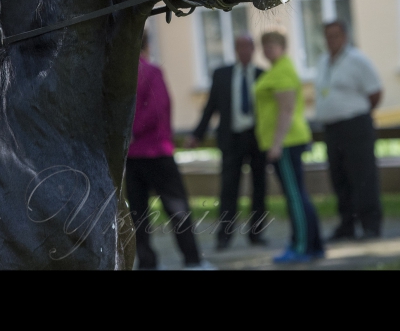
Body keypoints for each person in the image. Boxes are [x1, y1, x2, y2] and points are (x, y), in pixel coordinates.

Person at [126, 32, 215, 270]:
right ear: (146, 45)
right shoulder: (151, 72)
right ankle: (193, 261)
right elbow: (158, 108)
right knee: (177, 208)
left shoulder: (120, 74)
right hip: (156, 152)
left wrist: (126, 133)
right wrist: (133, 130)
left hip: (132, 155)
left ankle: (147, 262)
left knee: (138, 213)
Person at [187, 35, 268, 249]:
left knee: (259, 187)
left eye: (248, 47)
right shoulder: (222, 75)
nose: (244, 51)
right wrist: (197, 134)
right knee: (229, 188)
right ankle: (224, 236)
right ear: (235, 50)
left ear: (253, 49)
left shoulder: (263, 75)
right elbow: (210, 107)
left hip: (257, 138)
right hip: (231, 138)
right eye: (240, 47)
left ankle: (256, 234)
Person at [254, 30, 324, 264]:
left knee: (295, 197)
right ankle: (314, 246)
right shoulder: (276, 70)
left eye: (272, 45)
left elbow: (286, 109)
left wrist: (276, 144)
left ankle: (301, 246)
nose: (267, 50)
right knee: (299, 195)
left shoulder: (282, 71)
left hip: (286, 143)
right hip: (286, 142)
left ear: (283, 47)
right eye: (265, 45)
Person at [315, 20, 383, 241]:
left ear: (345, 36)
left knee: (362, 176)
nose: (331, 40)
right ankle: (347, 224)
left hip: (356, 125)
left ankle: (371, 225)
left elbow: (375, 93)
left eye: (335, 35)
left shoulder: (357, 60)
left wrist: (356, 113)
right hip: (332, 128)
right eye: (327, 36)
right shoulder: (324, 61)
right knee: (339, 176)